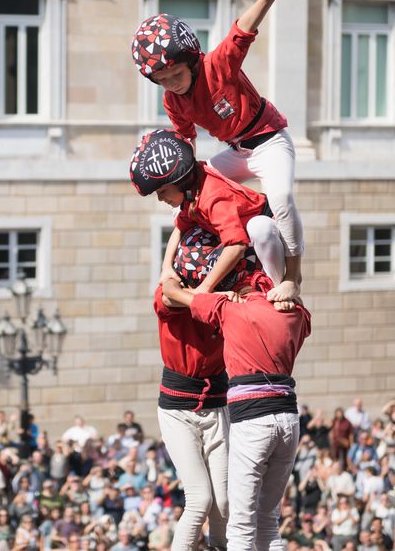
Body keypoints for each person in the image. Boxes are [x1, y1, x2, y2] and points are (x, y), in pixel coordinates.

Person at [130, 0, 305, 302]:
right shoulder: (173, 100)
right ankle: (193, 264)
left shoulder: (218, 66)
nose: (172, 85)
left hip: (269, 141)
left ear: (192, 61)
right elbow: (185, 147)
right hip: (238, 151)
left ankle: (292, 278)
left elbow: (243, 30)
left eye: (176, 75)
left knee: (281, 198)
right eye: (163, 80)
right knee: (185, 199)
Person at [163, 241, 311, 551]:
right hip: (287, 417)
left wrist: (208, 289)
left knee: (240, 525)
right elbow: (300, 311)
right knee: (267, 521)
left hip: (252, 418)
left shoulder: (231, 311)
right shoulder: (295, 313)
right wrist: (289, 289)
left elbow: (172, 291)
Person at [149, 231, 237, 551]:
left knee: (225, 502)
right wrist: (208, 296)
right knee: (199, 499)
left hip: (216, 405)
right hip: (178, 410)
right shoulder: (171, 294)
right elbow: (169, 293)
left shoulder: (226, 296)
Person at [130, 128, 285, 300]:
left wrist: (204, 288)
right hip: (243, 239)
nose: (160, 199)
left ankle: (274, 288)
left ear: (181, 181)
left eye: (163, 191)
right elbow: (179, 229)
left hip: (266, 236)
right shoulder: (193, 193)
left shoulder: (213, 197)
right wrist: (166, 268)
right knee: (189, 242)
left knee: (260, 228)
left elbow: (236, 245)